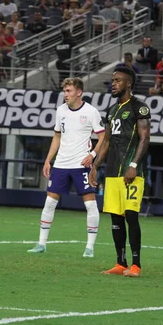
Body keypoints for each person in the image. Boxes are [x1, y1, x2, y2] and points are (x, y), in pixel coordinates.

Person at [28, 77, 105, 257]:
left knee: (91, 205)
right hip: (61, 164)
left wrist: (92, 156)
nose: (65, 95)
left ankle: (90, 247)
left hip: (81, 165)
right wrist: (48, 160)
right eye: (64, 91)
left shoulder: (91, 112)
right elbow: (57, 137)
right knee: (49, 203)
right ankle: (41, 244)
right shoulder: (61, 110)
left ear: (79, 92)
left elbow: (103, 137)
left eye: (69, 91)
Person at [88, 66, 151, 277]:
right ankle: (120, 263)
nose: (113, 84)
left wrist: (133, 165)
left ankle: (136, 265)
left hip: (131, 172)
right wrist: (95, 166)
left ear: (128, 84)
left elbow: (144, 138)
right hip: (113, 173)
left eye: (117, 80)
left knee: (131, 215)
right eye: (112, 80)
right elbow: (105, 141)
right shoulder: (112, 110)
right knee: (115, 218)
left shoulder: (139, 107)